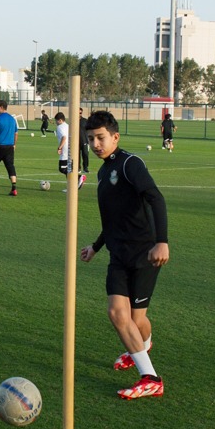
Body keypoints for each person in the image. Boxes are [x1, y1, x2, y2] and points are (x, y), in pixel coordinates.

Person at [80, 110, 168, 400]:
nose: (95, 144)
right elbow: (112, 220)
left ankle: (142, 348)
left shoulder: (131, 164)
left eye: (100, 138)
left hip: (145, 253)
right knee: (118, 314)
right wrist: (96, 246)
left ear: (115, 137)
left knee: (136, 320)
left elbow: (156, 198)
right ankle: (150, 376)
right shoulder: (103, 172)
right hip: (118, 255)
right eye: (90, 139)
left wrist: (162, 242)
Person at [55, 112, 85, 191]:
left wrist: (60, 148)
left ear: (60, 120)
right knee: (69, 168)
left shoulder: (60, 127)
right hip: (72, 148)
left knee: (62, 168)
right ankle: (71, 188)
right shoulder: (67, 126)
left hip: (65, 149)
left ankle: (79, 177)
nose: (56, 123)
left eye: (56, 121)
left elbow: (64, 137)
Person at [78, 107, 90, 174]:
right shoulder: (73, 121)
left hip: (84, 140)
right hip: (76, 141)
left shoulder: (85, 121)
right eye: (78, 112)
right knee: (77, 156)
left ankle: (85, 168)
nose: (79, 114)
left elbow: (89, 130)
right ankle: (78, 168)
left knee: (85, 155)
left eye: (80, 113)